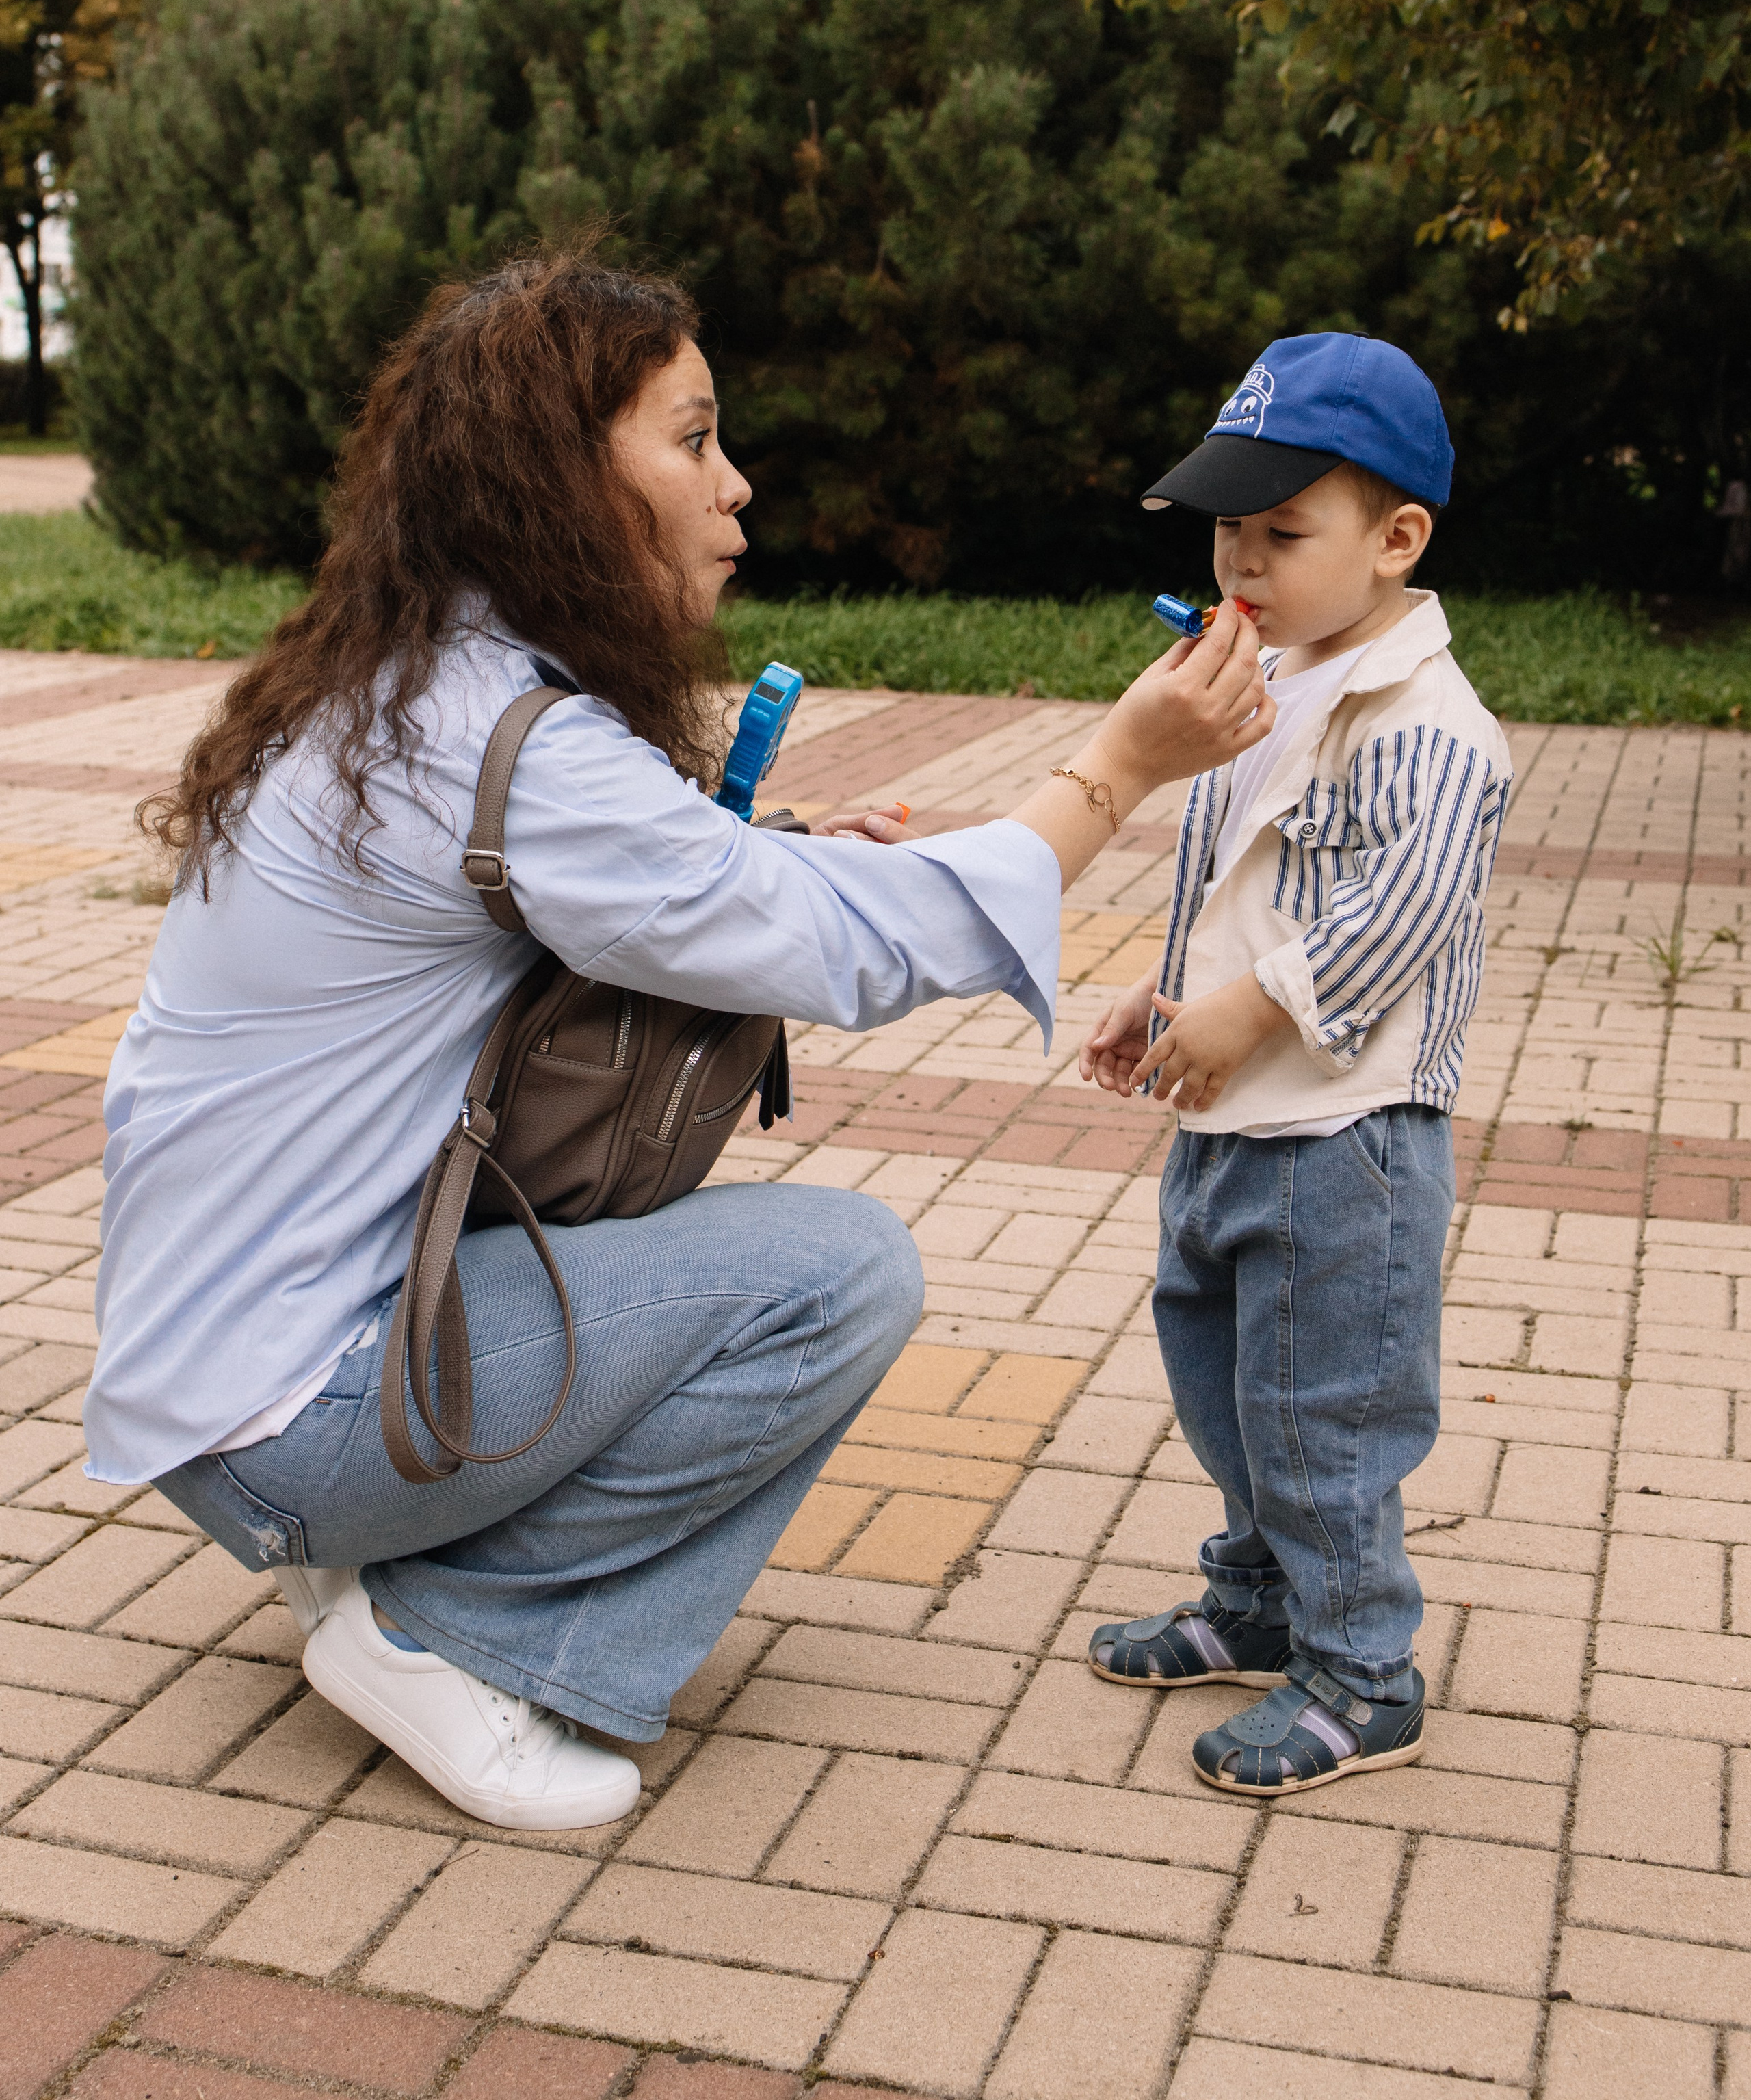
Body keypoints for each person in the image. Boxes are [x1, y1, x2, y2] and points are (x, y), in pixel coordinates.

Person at [90, 247, 1275, 1833]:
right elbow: (854, 948)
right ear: (560, 476)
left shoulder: (410, 682)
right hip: (291, 1410)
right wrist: (1122, 766)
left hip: (232, 1375)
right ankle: (457, 1636)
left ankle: (386, 1559)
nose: (735, 485)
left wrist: (766, 847)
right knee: (832, 1276)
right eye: (693, 437)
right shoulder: (511, 742)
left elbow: (622, 893)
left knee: (711, 1235)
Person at [1078, 332, 1512, 1797]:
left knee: (1323, 1417)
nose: (1240, 563)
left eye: (1282, 533)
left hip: (1344, 1140)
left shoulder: (1429, 726)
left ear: (1394, 541)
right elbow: (1231, 885)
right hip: (1226, 1117)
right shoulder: (1264, 685)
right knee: (1225, 1381)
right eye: (1225, 530)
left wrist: (1249, 1013)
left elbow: (1394, 917)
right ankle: (1255, 1599)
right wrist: (1164, 996)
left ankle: (1359, 1673)